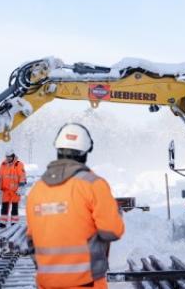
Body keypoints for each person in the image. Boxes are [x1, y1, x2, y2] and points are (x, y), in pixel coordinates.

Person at [26, 123, 125, 289]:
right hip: (87, 283)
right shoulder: (93, 184)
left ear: (58, 150)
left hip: (46, 284)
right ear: (85, 152)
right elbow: (112, 231)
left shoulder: (37, 190)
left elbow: (31, 240)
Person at [0, 148, 26, 228]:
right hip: (6, 190)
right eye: (7, 157)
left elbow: (22, 175)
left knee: (14, 206)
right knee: (4, 207)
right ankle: (3, 222)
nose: (8, 158)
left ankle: (14, 223)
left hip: (15, 190)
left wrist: (21, 186)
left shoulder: (19, 164)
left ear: (13, 156)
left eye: (9, 157)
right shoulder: (3, 164)